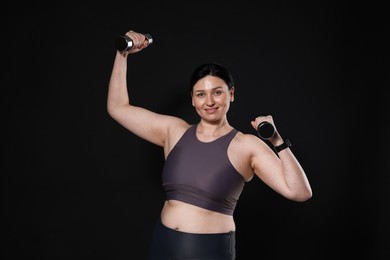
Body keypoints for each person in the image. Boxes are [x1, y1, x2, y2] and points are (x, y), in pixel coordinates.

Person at [107, 29, 312, 260]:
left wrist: (276, 140)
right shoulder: (173, 131)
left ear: (231, 94)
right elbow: (118, 108)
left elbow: (299, 192)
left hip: (209, 250)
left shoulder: (246, 145)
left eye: (217, 92)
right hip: (163, 244)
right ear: (193, 99)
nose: (210, 101)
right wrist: (122, 54)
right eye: (201, 94)